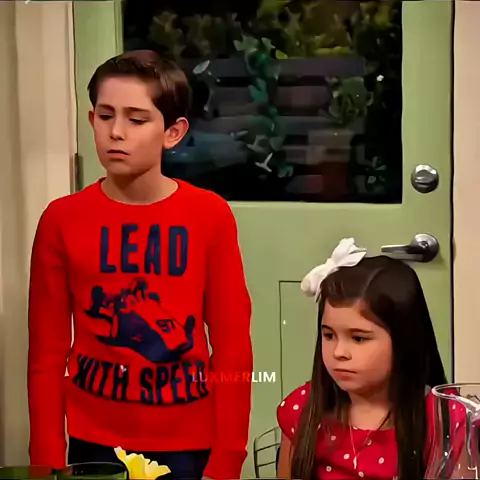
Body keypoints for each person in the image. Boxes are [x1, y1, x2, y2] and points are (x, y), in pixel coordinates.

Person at [27, 50, 253, 480]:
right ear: (91, 119)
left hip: (189, 443)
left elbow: (233, 349)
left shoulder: (209, 216)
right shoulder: (61, 220)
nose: (116, 132)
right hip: (93, 442)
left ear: (173, 132)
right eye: (105, 116)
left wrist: (227, 458)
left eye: (136, 119)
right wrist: (46, 461)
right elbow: (46, 355)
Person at [276, 238, 455, 480]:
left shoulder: (444, 419)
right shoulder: (303, 407)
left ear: (404, 340)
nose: (339, 352)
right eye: (329, 335)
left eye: (358, 338)